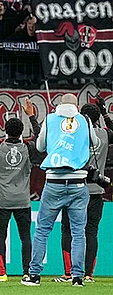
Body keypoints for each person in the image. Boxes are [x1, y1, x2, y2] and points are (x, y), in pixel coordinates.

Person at [23, 94, 100, 287]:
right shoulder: (85, 120)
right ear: (76, 106)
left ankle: (34, 275)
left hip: (54, 182)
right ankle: (77, 277)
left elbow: (40, 146)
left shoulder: (50, 119)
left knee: (42, 230)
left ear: (60, 105)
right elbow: (95, 143)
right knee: (78, 232)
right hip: (77, 182)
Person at [0, 98, 40, 282]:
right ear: (22, 132)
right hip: (22, 200)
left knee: (1, 236)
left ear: (4, 130)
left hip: (2, 201)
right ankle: (27, 272)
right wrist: (32, 116)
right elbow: (41, 139)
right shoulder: (28, 148)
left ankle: (2, 274)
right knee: (25, 238)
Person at [54, 101, 112, 283]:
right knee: (91, 232)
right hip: (96, 191)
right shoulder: (105, 134)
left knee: (68, 230)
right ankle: (88, 274)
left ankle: (69, 272)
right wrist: (105, 113)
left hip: (74, 188)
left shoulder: (74, 135)